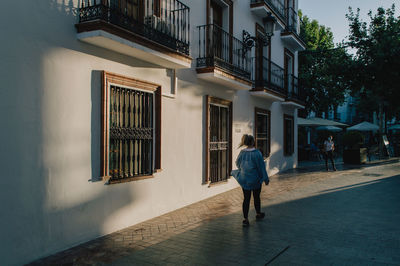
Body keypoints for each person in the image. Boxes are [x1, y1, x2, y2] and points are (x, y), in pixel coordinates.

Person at [231, 134, 269, 227]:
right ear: (252, 142)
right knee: (256, 197)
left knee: (246, 199)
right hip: (255, 179)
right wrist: (265, 178)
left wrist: (243, 169)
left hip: (245, 179)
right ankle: (258, 213)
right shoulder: (257, 153)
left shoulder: (242, 153)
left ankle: (245, 219)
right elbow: (261, 167)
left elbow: (237, 163)